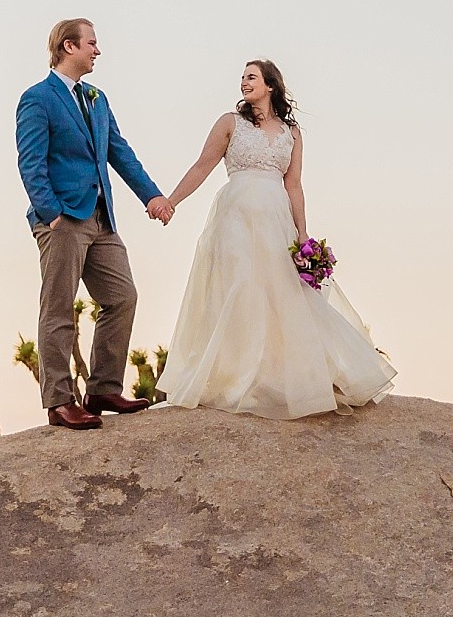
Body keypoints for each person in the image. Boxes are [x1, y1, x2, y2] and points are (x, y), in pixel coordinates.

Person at [159, 59, 395, 418]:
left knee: (281, 293)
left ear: (270, 85)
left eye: (251, 77)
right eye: (241, 78)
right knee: (240, 287)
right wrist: (171, 201)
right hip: (235, 215)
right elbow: (202, 165)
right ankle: (237, 377)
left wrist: (302, 234)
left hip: (276, 219)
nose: (243, 82)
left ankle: (283, 376)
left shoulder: (292, 132)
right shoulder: (229, 123)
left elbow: (294, 184)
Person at [14, 18, 174, 431]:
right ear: (69, 47)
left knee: (122, 297)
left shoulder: (97, 99)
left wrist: (152, 196)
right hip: (63, 218)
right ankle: (59, 400)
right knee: (58, 307)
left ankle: (102, 387)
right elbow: (30, 163)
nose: (97, 51)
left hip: (102, 219)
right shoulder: (37, 99)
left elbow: (119, 151)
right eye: (91, 43)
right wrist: (52, 214)